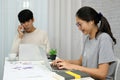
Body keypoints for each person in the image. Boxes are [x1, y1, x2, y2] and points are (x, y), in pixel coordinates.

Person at [52, 6, 116, 80]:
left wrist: (73, 66)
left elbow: (102, 74)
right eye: (77, 25)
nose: (79, 28)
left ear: (91, 21)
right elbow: (80, 62)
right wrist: (65, 62)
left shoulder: (104, 39)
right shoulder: (88, 39)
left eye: (80, 24)